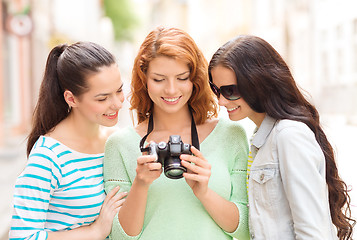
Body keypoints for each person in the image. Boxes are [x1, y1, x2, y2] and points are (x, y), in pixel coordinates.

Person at [103, 26, 250, 240]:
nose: (171, 90)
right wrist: (140, 184)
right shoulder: (119, 144)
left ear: (195, 79)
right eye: (159, 79)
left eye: (182, 78)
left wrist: (204, 192)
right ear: (144, 79)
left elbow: (246, 230)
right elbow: (119, 236)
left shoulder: (231, 135)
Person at [208, 35, 356, 239]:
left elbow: (312, 231)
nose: (221, 101)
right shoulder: (261, 139)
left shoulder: (289, 136)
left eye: (230, 91)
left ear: (257, 82)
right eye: (216, 90)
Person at [9, 41, 128, 240]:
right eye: (102, 98)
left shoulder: (116, 142)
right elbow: (22, 237)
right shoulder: (48, 156)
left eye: (119, 90)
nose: (117, 103)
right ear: (71, 99)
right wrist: (94, 231)